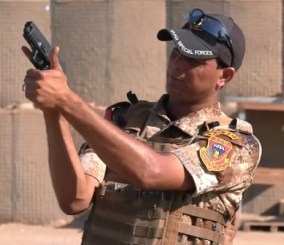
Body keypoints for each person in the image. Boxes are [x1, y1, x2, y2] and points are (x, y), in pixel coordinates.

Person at [22, 8, 261, 245]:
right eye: (176, 51)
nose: (177, 64)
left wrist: (67, 100)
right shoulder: (125, 120)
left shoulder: (235, 144)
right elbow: (74, 199)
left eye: (194, 59)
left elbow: (151, 172)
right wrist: (54, 112)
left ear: (225, 76)